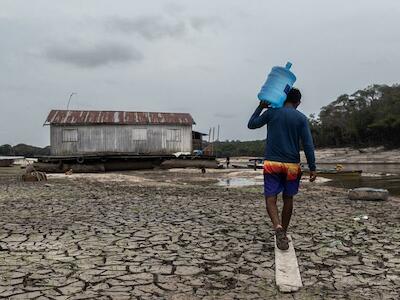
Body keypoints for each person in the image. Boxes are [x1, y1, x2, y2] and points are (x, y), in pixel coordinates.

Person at [247, 88, 316, 250]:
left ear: (283, 98)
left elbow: (251, 125)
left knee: (271, 197)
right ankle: (283, 231)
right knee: (288, 198)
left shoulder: (272, 113)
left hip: (272, 163)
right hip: (292, 165)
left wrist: (260, 107)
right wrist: (313, 167)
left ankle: (277, 227)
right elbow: (308, 145)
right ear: (298, 102)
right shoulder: (301, 118)